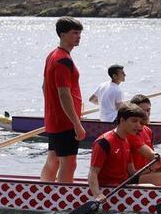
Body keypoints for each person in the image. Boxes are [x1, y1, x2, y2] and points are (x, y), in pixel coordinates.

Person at [41, 16, 86, 183]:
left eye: (79, 33)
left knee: (54, 158)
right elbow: (64, 94)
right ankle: (63, 199)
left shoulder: (52, 55)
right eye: (74, 33)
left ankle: (45, 191)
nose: (78, 36)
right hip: (65, 121)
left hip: (54, 119)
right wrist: (76, 123)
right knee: (69, 162)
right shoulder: (63, 60)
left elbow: (44, 87)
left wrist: (51, 110)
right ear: (62, 35)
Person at [88, 103, 147, 201]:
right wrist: (97, 195)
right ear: (122, 120)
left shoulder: (127, 141)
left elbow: (132, 173)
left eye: (140, 122)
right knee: (152, 185)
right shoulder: (104, 142)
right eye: (134, 121)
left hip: (123, 185)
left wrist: (155, 167)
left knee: (160, 177)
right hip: (110, 190)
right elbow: (92, 172)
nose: (138, 126)